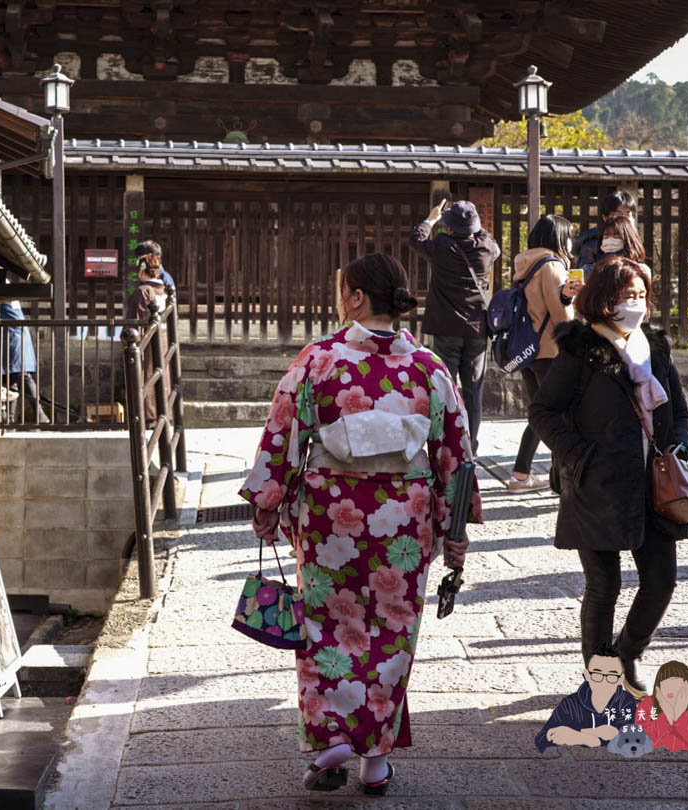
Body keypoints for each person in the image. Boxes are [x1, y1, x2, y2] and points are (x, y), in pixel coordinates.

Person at [240, 254, 481, 795]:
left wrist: (268, 500)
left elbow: (283, 429)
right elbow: (455, 453)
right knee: (393, 631)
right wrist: (455, 524)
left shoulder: (319, 360)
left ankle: (332, 743)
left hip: (332, 517)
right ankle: (376, 761)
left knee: (327, 626)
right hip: (405, 519)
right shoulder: (429, 367)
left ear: (353, 297)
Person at [530, 256, 688, 693]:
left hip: (653, 483)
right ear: (604, 299)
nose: (635, 305)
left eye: (640, 295)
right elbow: (542, 410)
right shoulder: (581, 348)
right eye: (626, 296)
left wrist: (680, 444)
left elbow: (677, 405)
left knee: (661, 581)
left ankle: (630, 651)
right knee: (604, 585)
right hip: (596, 483)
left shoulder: (654, 344)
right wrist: (577, 455)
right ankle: (600, 678)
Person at [409, 199, 500, 452]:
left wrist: (432, 219)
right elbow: (487, 238)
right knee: (473, 392)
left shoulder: (441, 246)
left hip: (446, 328)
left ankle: (446, 443)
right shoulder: (487, 248)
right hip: (477, 330)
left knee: (445, 389)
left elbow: (416, 238)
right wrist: (473, 225)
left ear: (449, 227)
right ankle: (471, 445)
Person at [507, 215, 582, 491]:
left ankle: (521, 473)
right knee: (559, 415)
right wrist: (571, 299)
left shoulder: (524, 264)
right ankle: (560, 479)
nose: (572, 241)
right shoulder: (552, 266)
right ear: (560, 237)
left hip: (527, 351)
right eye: (569, 235)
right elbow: (561, 315)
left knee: (541, 412)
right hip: (550, 349)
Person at [534, 642, 638, 752]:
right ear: (587, 675)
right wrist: (587, 736)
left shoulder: (625, 702)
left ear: (620, 679)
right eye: (597, 675)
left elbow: (630, 739)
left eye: (611, 676)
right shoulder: (570, 704)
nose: (603, 682)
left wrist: (582, 736)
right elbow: (541, 739)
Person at [635, 660, 688, 754]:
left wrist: (682, 715)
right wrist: (666, 716)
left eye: (676, 684)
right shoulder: (647, 705)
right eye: (665, 684)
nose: (670, 689)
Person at [125, 253, 170, 423]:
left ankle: (147, 416)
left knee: (145, 376)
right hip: (163, 338)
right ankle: (163, 414)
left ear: (142, 271)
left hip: (145, 340)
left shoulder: (143, 291)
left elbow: (133, 322)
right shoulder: (164, 291)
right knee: (161, 375)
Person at [0, 300, 47, 422]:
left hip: (11, 340)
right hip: (15, 338)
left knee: (20, 377)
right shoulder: (9, 295)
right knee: (11, 380)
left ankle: (38, 414)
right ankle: (10, 419)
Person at [576, 189, 638, 272]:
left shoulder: (633, 240)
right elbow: (585, 275)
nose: (623, 218)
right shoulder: (593, 243)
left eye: (627, 214)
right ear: (605, 217)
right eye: (617, 214)